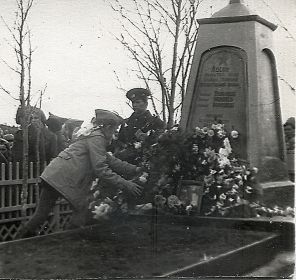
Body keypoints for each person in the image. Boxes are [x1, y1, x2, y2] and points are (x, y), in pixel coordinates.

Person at [17, 109, 143, 238]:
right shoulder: (97, 138)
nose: (115, 134)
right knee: (82, 209)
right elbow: (101, 169)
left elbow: (111, 160)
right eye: (114, 130)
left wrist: (135, 169)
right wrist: (126, 184)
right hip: (62, 179)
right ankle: (69, 242)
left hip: (53, 176)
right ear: (108, 127)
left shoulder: (92, 135)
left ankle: (17, 243)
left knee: (41, 215)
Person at [114, 88, 165, 164]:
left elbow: (160, 144)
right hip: (125, 162)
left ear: (146, 104)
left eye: (138, 102)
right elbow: (119, 142)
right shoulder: (126, 123)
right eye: (133, 102)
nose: (134, 105)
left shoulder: (156, 122)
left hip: (146, 162)